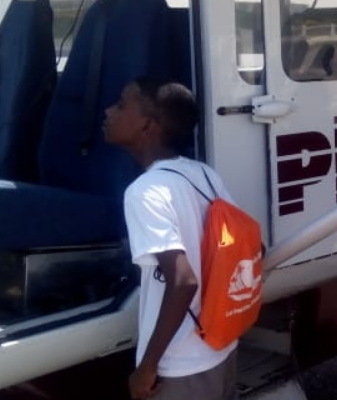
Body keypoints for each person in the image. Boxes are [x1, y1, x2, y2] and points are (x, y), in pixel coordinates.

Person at [105, 79, 238, 400]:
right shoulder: (204, 174)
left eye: (122, 105)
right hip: (221, 347)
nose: (109, 111)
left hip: (179, 366)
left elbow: (183, 281)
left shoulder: (144, 192)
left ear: (148, 126)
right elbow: (249, 249)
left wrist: (147, 367)